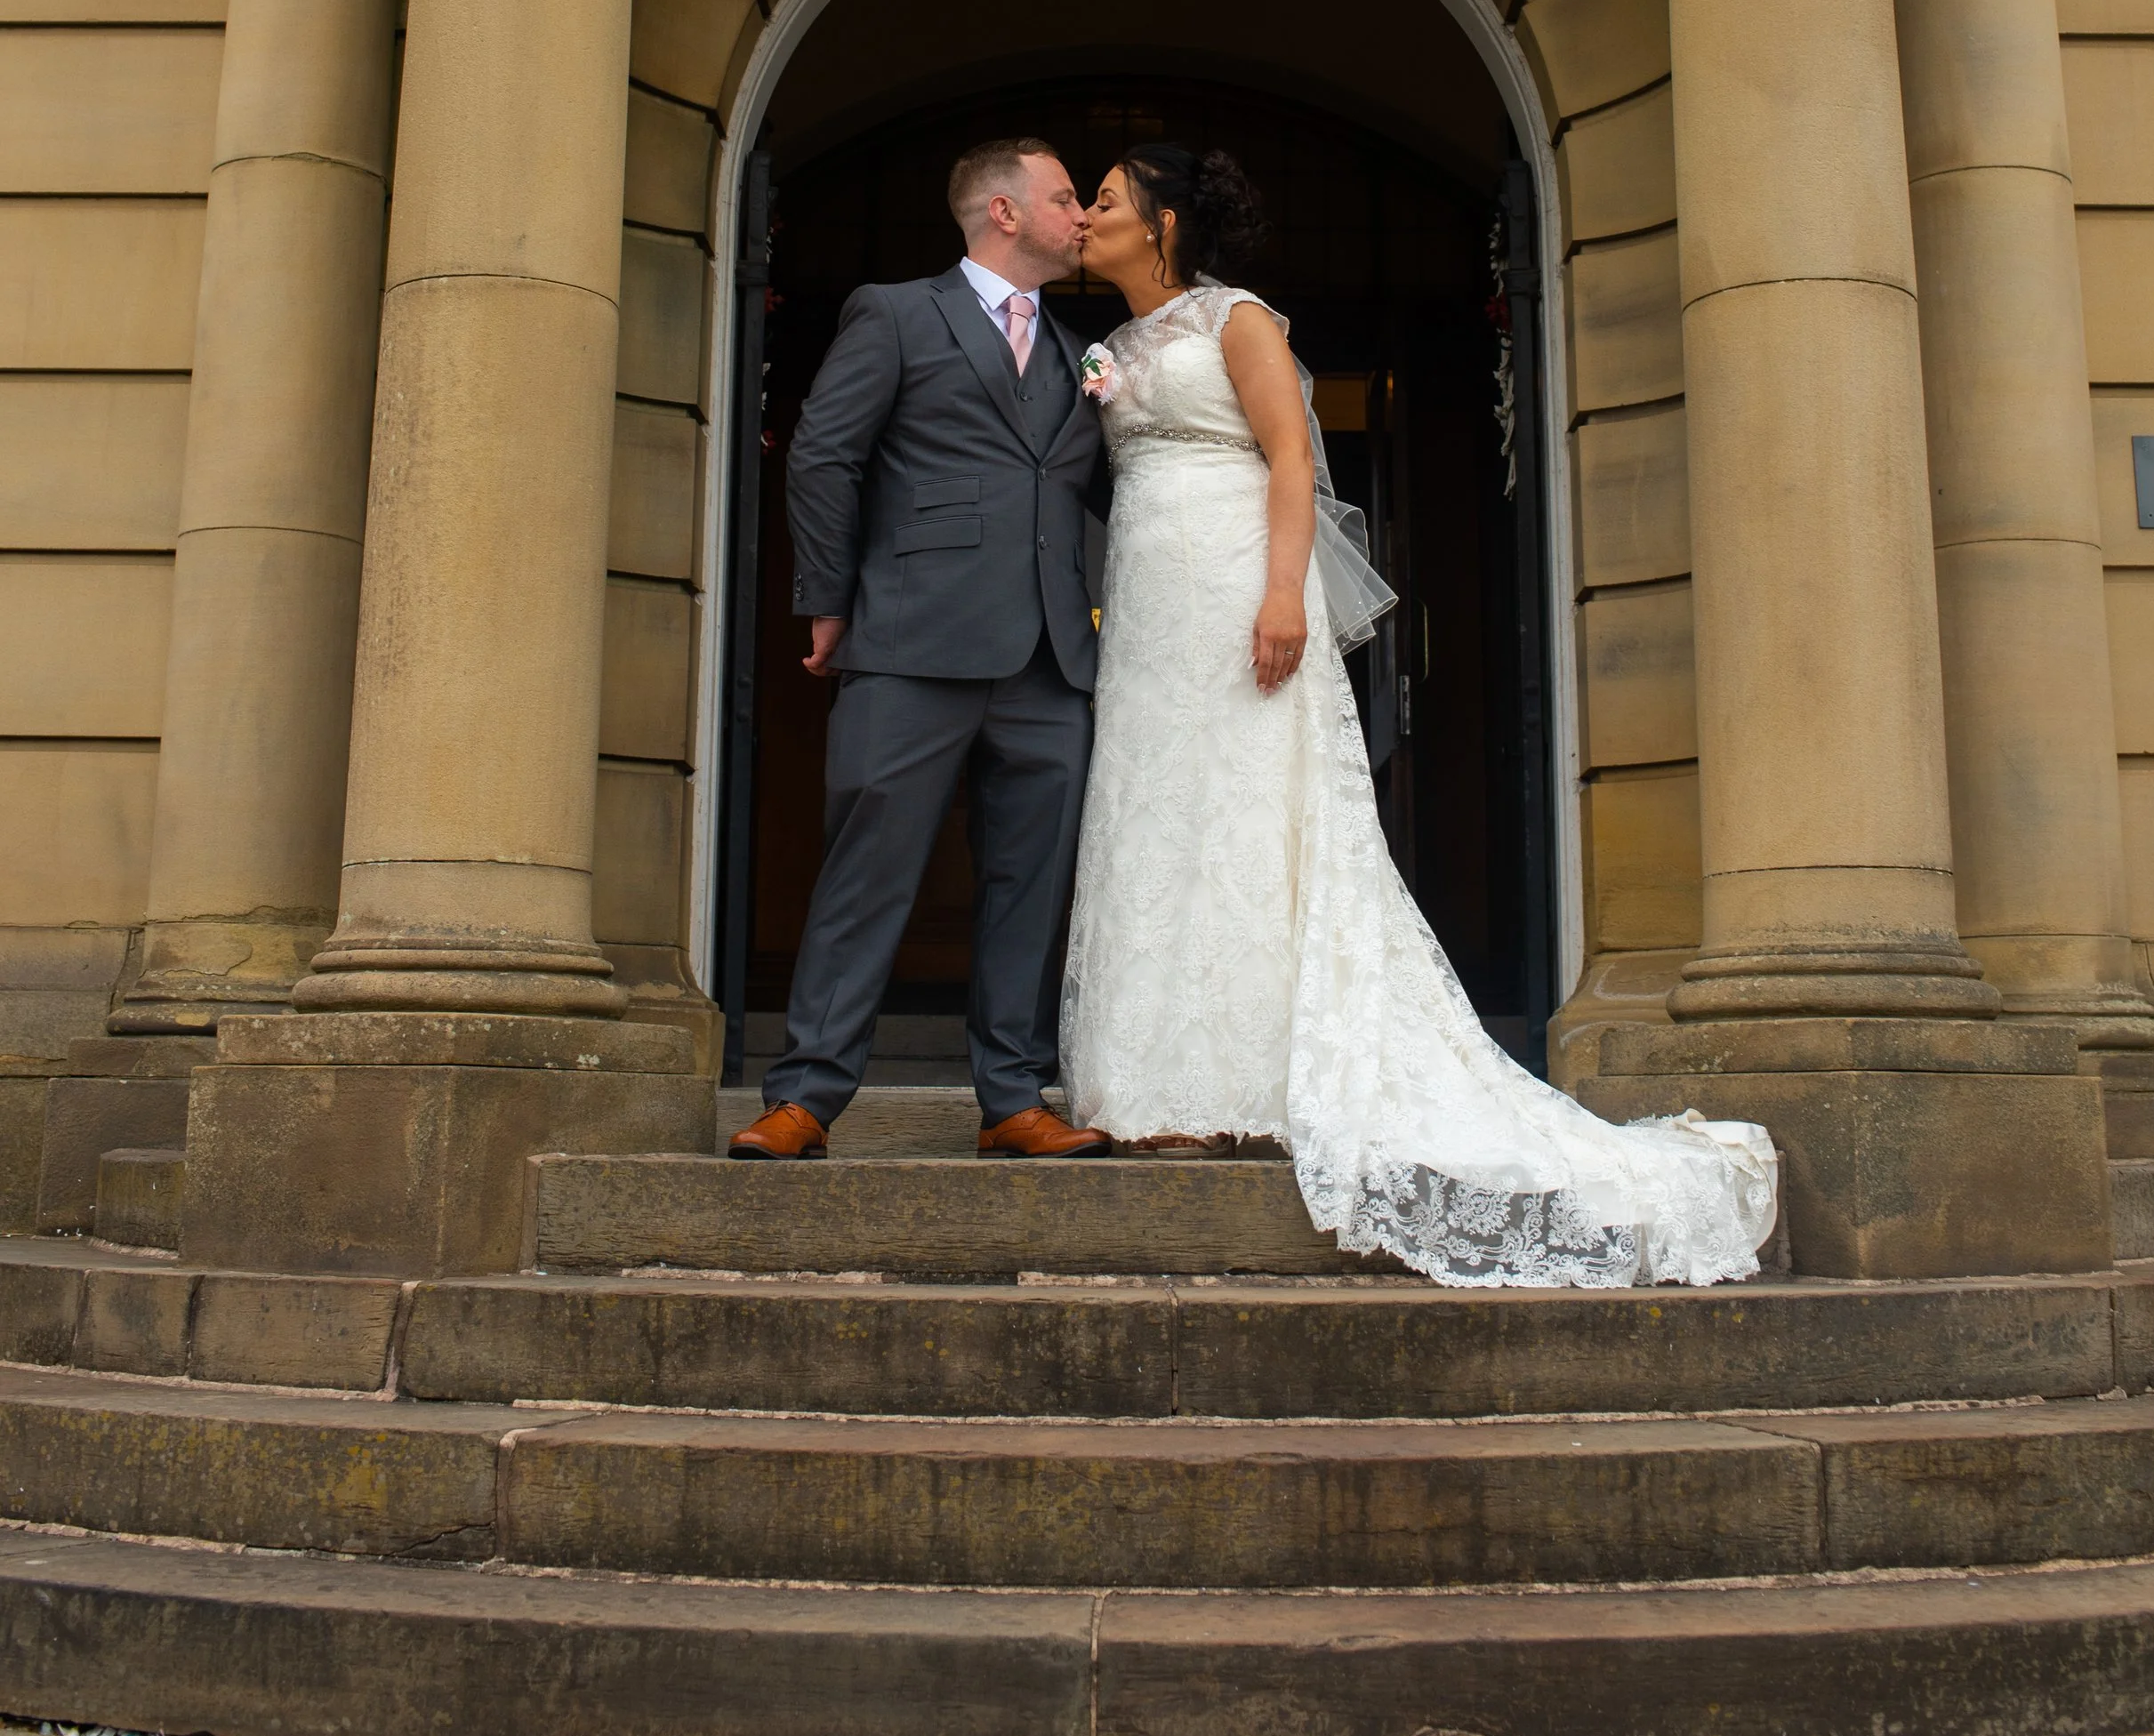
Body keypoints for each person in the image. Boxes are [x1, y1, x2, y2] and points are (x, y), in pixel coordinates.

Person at [1061, 142, 1779, 1288]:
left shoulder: (1236, 321)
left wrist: (1285, 592)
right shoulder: (1108, 348)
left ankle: (1252, 1078)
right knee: (1156, 814)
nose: (1085, 215)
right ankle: (1156, 1086)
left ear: (1160, 225)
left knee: (1251, 815)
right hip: (1146, 602)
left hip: (1238, 580)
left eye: (1102, 199)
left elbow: (1291, 458)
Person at [727, 136, 1113, 1163]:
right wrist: (828, 599)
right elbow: (824, 452)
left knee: (1031, 884)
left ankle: (1014, 1098)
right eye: (1065, 196)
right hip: (907, 644)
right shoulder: (896, 312)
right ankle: (805, 1096)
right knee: (868, 873)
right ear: (1002, 211)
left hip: (1048, 665)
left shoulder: (1087, 356)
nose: (1081, 215)